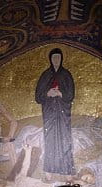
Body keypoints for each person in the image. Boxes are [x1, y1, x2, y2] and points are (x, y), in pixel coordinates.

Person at [35, 48, 75, 179]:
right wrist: (48, 93)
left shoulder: (66, 75)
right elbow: (38, 97)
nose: (56, 60)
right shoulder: (45, 75)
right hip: (50, 113)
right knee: (50, 139)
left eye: (58, 57)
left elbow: (70, 95)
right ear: (50, 59)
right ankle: (49, 171)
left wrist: (60, 93)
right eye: (54, 58)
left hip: (63, 113)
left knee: (65, 139)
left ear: (62, 58)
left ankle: (67, 170)